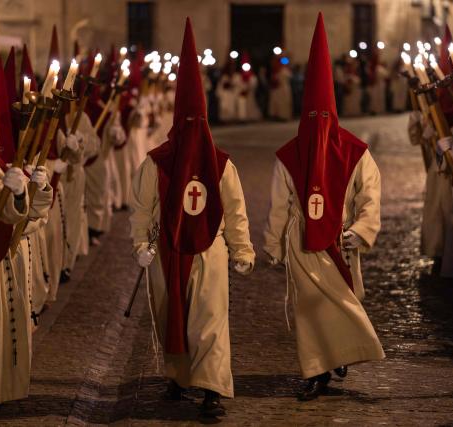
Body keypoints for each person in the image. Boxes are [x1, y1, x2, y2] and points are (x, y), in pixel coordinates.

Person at [129, 18, 255, 417]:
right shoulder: (157, 163)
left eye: (197, 124)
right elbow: (143, 208)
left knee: (210, 320)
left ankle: (213, 388)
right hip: (167, 251)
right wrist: (139, 245)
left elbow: (235, 209)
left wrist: (242, 249)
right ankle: (178, 377)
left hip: (209, 251)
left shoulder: (220, 165)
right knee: (172, 316)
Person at [263, 13, 384, 401]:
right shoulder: (288, 156)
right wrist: (272, 244)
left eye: (324, 118)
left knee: (343, 304)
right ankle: (317, 370)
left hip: (341, 241)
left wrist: (360, 232)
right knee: (309, 310)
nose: (318, 125)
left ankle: (340, 353)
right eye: (311, 118)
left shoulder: (355, 153)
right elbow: (279, 204)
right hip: (302, 242)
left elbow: (370, 196)